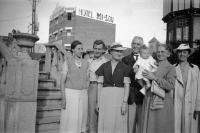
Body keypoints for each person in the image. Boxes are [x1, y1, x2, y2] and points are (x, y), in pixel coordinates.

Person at [95, 43, 131, 133]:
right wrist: (98, 102)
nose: (119, 53)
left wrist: (124, 103)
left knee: (119, 122)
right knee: (106, 121)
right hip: (105, 98)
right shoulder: (104, 66)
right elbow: (99, 85)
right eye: (117, 51)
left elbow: (127, 85)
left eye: (121, 51)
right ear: (111, 52)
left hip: (119, 97)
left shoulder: (125, 67)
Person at [142, 44, 176, 133]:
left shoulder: (171, 68)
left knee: (160, 126)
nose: (160, 54)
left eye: (162, 52)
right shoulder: (151, 64)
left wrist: (154, 78)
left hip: (162, 102)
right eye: (158, 52)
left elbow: (170, 85)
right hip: (149, 99)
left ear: (168, 54)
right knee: (150, 126)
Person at [59, 40, 89, 133]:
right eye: (78, 49)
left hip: (83, 94)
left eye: (82, 49)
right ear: (73, 50)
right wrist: (63, 98)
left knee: (81, 118)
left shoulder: (86, 63)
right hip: (70, 94)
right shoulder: (67, 62)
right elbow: (62, 81)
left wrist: (85, 91)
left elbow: (87, 79)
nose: (81, 51)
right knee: (71, 119)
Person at [174, 43, 200, 133]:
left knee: (189, 128)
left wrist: (197, 107)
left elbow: (198, 89)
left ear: (188, 54)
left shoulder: (195, 69)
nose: (182, 54)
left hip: (191, 104)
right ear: (177, 54)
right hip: (176, 104)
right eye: (180, 52)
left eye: (184, 52)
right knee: (176, 128)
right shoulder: (172, 68)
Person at [122, 36, 144, 133]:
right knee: (129, 124)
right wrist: (132, 71)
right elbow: (124, 76)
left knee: (141, 123)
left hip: (143, 96)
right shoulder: (125, 59)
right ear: (131, 45)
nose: (135, 46)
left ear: (142, 46)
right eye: (134, 43)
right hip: (130, 95)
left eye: (138, 44)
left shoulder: (147, 58)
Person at [88, 40, 108, 133]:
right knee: (92, 114)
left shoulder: (107, 62)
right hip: (91, 87)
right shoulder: (88, 61)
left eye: (99, 49)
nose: (97, 51)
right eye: (95, 48)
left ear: (103, 50)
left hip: (103, 88)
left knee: (102, 113)